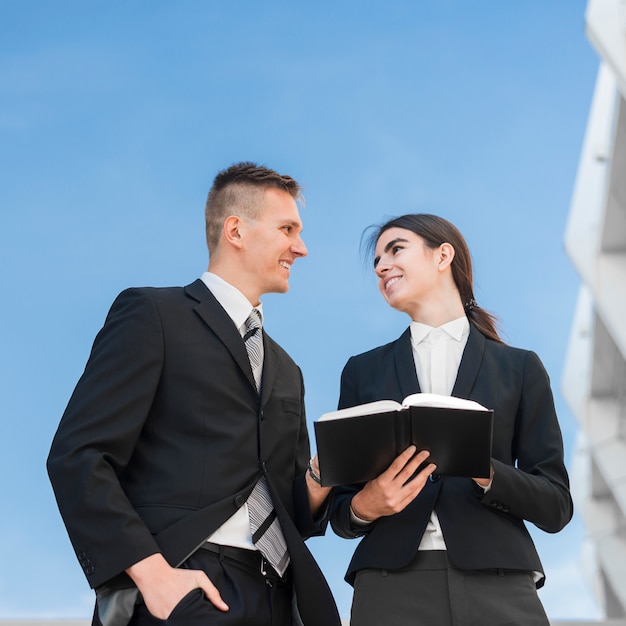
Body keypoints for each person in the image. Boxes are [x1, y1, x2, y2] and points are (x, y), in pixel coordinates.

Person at [47, 162, 341, 626]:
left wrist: (328, 475)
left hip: (280, 598)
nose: (300, 248)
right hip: (187, 583)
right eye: (288, 229)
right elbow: (78, 456)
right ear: (236, 230)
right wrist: (152, 575)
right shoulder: (153, 314)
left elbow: (290, 508)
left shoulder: (288, 369)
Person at [330, 213, 573, 626]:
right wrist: (366, 505)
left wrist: (486, 472)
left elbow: (556, 505)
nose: (382, 267)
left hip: (498, 579)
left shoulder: (520, 368)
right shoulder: (361, 371)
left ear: (443, 255)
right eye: (376, 263)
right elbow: (339, 510)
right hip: (389, 583)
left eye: (395, 249)